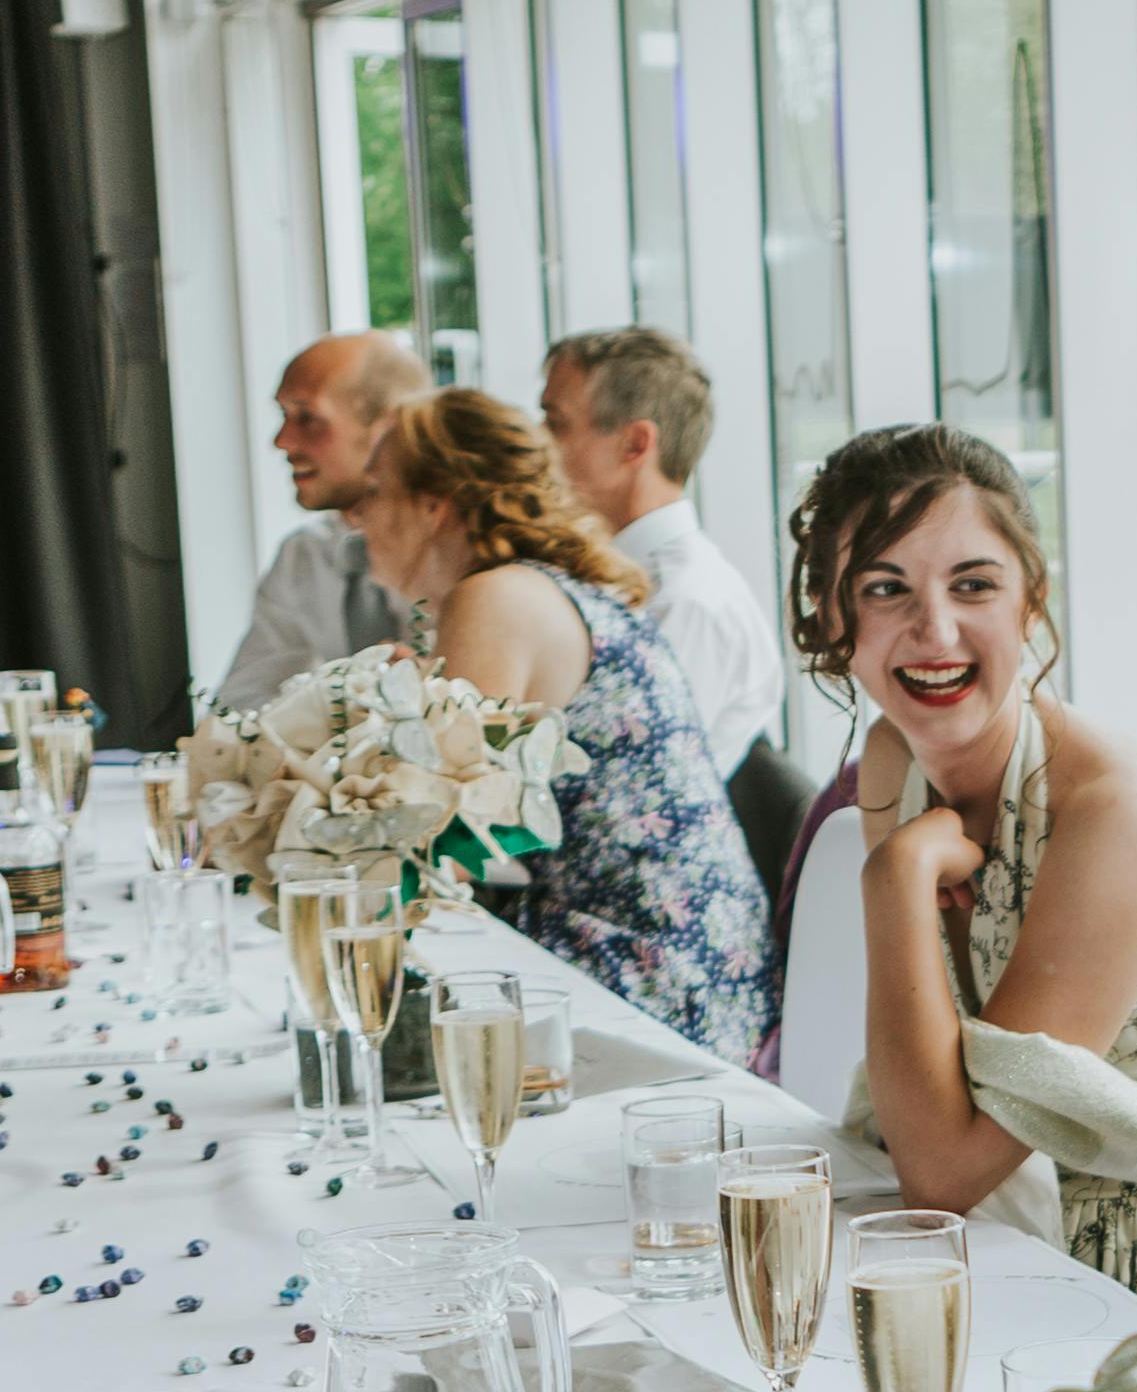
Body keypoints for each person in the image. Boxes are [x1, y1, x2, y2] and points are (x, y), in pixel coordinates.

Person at [799, 425, 1137, 1282]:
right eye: (886, 588)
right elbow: (920, 1121)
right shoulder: (893, 760)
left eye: (974, 584)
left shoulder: (1122, 814)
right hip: (1011, 1226)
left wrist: (893, 877)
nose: (935, 631)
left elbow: (941, 1170)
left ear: (1030, 602)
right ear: (835, 616)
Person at [350, 391, 773, 1062]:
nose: (353, 512)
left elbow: (437, 838)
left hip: (645, 981)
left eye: (373, 489)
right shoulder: (541, 587)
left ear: (435, 504)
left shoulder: (496, 598)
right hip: (694, 965)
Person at [538, 327, 778, 771]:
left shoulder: (686, 601)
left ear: (635, 444)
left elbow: (637, 773)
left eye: (555, 423)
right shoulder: (609, 574)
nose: (536, 443)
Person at [219, 332, 420, 708]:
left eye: (307, 418)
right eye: (283, 416)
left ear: (387, 427)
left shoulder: (465, 553)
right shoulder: (303, 556)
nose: (282, 441)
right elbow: (239, 706)